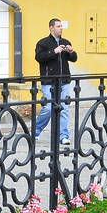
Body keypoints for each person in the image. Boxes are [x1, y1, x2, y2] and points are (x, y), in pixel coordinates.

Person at [33, 18, 77, 149]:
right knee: (47, 107)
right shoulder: (43, 43)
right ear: (51, 28)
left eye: (61, 26)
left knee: (64, 108)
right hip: (48, 81)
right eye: (58, 26)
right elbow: (39, 58)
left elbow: (74, 59)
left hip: (64, 81)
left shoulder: (65, 42)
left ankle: (63, 136)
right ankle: (35, 131)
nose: (61, 28)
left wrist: (71, 52)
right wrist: (54, 51)